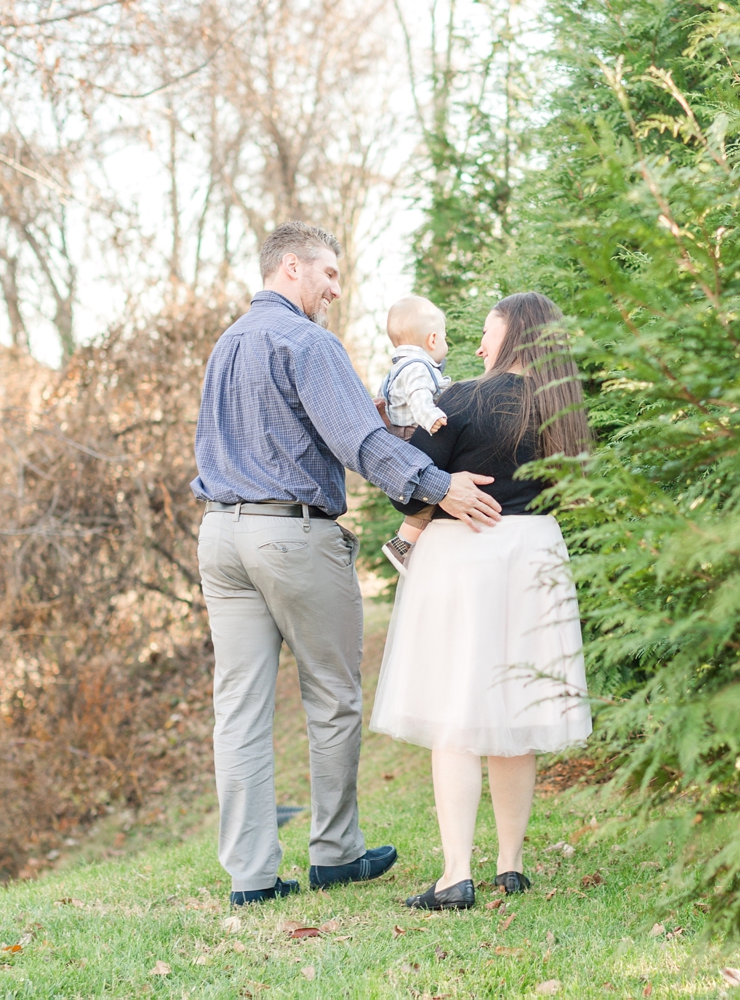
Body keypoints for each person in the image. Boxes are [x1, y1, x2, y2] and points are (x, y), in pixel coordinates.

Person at [191, 222, 503, 907]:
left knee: (238, 708)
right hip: (291, 536)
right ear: (293, 267)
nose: (337, 287)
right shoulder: (306, 341)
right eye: (329, 273)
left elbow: (324, 427)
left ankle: (252, 876)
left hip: (219, 536)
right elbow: (359, 441)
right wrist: (436, 485)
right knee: (332, 695)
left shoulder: (227, 345)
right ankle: (335, 853)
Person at [369, 291, 594, 910]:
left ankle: (455, 875)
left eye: (488, 333)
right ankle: (511, 866)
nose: (477, 347)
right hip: (536, 554)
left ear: (514, 335)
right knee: (514, 713)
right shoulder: (564, 408)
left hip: (465, 554)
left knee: (455, 714)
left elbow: (412, 490)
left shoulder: (458, 399)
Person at [375, 295, 452, 573]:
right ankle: (403, 543)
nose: (446, 344)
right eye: (445, 338)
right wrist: (432, 417)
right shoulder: (418, 368)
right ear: (432, 340)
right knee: (444, 481)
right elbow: (419, 398)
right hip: (413, 438)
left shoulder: (398, 368)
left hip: (399, 436)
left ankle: (406, 543)